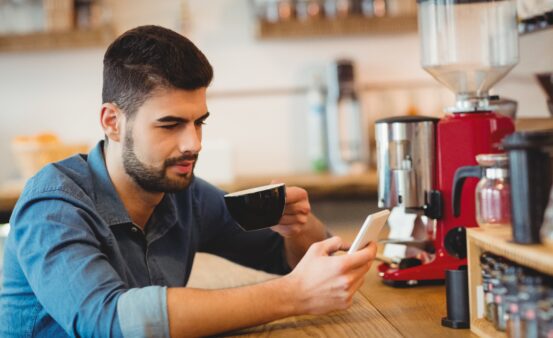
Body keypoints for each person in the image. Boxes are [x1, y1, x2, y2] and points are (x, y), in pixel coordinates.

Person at [0, 25, 377, 337]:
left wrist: (296, 226)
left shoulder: (185, 195)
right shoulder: (52, 205)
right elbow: (109, 321)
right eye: (170, 124)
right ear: (112, 122)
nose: (193, 143)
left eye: (199, 122)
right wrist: (293, 297)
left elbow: (292, 262)